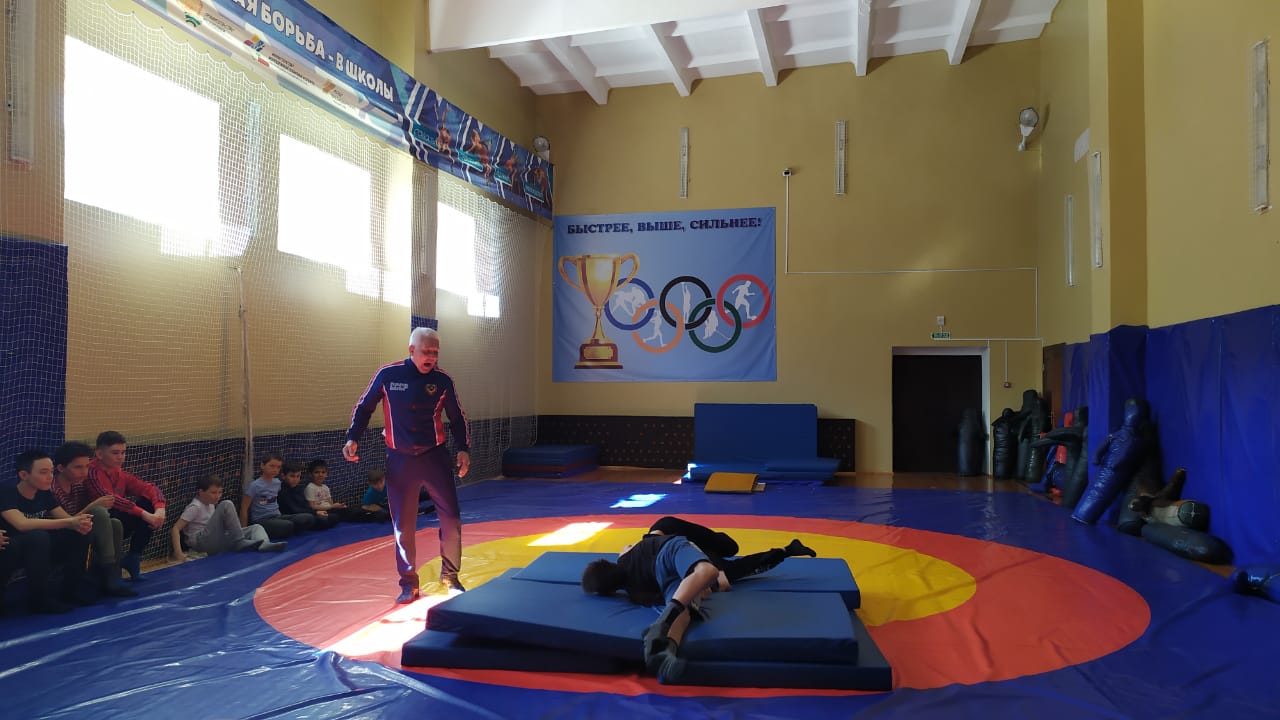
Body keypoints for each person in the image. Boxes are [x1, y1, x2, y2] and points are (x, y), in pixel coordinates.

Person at [581, 518, 816, 681]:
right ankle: (666, 650)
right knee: (710, 580)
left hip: (668, 543)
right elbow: (694, 592)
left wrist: (697, 590)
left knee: (724, 555)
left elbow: (700, 589)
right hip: (668, 555)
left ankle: (663, 626)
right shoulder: (629, 568)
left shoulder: (635, 591)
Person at [344, 326, 470, 603]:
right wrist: (353, 437)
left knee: (451, 519)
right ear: (412, 350)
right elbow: (364, 407)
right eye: (426, 351)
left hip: (435, 457)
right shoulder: (388, 375)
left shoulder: (442, 380)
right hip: (400, 459)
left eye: (435, 352)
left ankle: (450, 576)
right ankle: (408, 582)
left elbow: (457, 417)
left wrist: (463, 448)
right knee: (403, 524)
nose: (431, 357)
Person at [0, 450, 95, 614]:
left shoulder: (44, 493)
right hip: (10, 548)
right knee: (38, 536)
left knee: (77, 534)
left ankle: (70, 590)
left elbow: (66, 520)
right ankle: (39, 599)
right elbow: (21, 524)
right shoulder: (7, 492)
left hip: (35, 549)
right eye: (43, 472)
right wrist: (70, 522)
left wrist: (80, 524)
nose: (50, 477)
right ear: (24, 475)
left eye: (51, 471)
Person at [51, 441, 137, 598]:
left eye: (86, 466)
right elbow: (65, 522)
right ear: (61, 468)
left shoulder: (79, 485)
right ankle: (109, 579)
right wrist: (93, 505)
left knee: (115, 524)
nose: (84, 472)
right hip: (60, 534)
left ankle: (113, 575)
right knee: (98, 511)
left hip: (80, 529)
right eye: (78, 467)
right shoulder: (52, 489)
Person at [85, 431, 167, 582]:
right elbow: (110, 499)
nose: (121, 457)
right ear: (99, 454)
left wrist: (160, 510)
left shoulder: (119, 473)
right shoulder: (91, 472)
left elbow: (149, 488)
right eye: (115, 453)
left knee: (149, 503)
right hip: (94, 524)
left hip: (116, 520)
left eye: (123, 452)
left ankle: (133, 557)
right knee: (117, 513)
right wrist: (145, 515)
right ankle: (109, 571)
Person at [171, 475, 286, 561]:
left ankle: (264, 544)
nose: (217, 496)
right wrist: (178, 554)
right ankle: (239, 541)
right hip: (201, 542)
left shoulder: (210, 504)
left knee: (256, 527)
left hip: (215, 540)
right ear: (201, 492)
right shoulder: (195, 506)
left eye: (220, 492)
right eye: (213, 493)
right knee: (226, 504)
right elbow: (175, 529)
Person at [240, 453, 316, 539]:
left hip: (278, 516)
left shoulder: (277, 483)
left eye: (278, 467)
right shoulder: (254, 485)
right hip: (262, 520)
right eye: (272, 466)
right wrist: (244, 531)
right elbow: (244, 508)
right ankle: (267, 531)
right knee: (287, 525)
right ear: (262, 465)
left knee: (308, 518)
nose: (275, 470)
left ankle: (285, 530)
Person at [278, 460, 337, 530]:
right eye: (292, 476)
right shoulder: (282, 491)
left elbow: (305, 505)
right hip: (292, 515)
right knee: (309, 518)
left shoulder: (298, 489)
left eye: (298, 476)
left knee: (333, 516)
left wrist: (316, 512)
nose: (295, 479)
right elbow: (294, 509)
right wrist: (315, 513)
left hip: (305, 514)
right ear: (283, 476)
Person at [303, 459, 347, 525]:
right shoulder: (310, 487)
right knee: (330, 518)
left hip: (330, 510)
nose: (320, 475)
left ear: (326, 474)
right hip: (320, 512)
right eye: (317, 472)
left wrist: (338, 506)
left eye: (323, 472)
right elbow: (312, 506)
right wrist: (331, 507)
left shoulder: (325, 487)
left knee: (346, 510)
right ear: (310, 474)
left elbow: (331, 503)